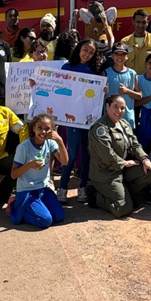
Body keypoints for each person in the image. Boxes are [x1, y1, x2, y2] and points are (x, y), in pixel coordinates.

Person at [87, 94, 151, 218]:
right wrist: (124, 163)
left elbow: (135, 144)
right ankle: (95, 196)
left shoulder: (124, 124)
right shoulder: (100, 128)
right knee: (122, 208)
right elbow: (107, 154)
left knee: (150, 171)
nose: (119, 111)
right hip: (106, 173)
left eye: (123, 108)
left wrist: (144, 159)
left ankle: (126, 195)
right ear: (107, 106)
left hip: (122, 169)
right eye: (116, 107)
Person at [55, 38, 101, 203]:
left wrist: (103, 89)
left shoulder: (95, 70)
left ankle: (83, 186)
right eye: (85, 50)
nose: (87, 54)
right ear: (79, 48)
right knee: (72, 153)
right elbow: (58, 89)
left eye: (91, 52)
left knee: (87, 153)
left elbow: (96, 93)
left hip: (88, 118)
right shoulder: (67, 67)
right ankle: (63, 187)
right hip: (72, 118)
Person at [8, 113, 68, 229]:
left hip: (43, 188)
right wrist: (29, 165)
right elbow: (13, 174)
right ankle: (18, 208)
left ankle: (36, 206)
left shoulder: (50, 143)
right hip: (27, 190)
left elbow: (65, 162)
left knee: (59, 216)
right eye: (40, 128)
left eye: (47, 129)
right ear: (34, 128)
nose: (43, 132)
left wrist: (60, 141)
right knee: (45, 220)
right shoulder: (24, 147)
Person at [105, 42, 141, 126]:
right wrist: (103, 91)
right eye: (117, 54)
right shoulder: (106, 73)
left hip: (127, 118)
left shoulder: (132, 73)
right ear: (112, 56)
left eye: (123, 54)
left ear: (127, 57)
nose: (120, 57)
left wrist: (127, 91)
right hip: (110, 118)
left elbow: (139, 96)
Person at [121, 9, 151, 76]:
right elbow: (121, 65)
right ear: (133, 22)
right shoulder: (125, 42)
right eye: (138, 22)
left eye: (143, 22)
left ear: (147, 23)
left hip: (150, 83)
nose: (141, 25)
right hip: (131, 84)